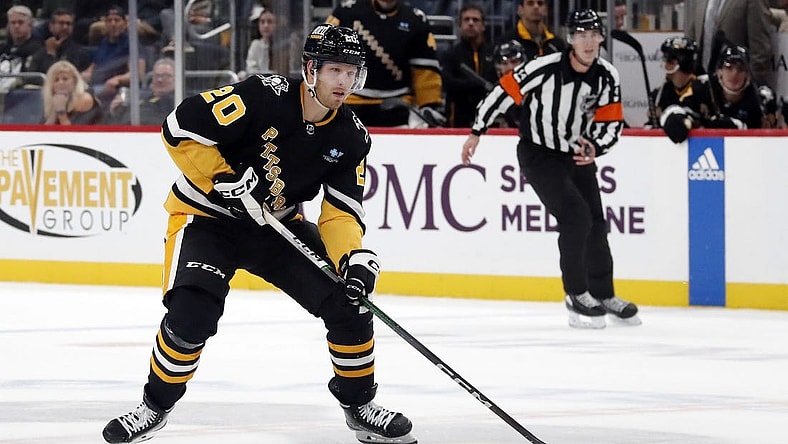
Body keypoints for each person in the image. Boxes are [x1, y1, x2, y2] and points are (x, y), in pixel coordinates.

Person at [101, 23, 416, 444]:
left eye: (351, 71)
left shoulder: (351, 135)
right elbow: (177, 128)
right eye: (334, 70)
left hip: (278, 227)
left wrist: (353, 258)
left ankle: (359, 407)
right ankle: (153, 407)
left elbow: (341, 213)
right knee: (191, 316)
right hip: (207, 218)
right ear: (310, 68)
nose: (344, 82)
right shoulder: (262, 95)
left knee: (351, 303)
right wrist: (223, 179)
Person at [461, 9, 640, 329]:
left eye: (593, 35)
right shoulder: (544, 68)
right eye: (580, 35)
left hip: (576, 154)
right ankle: (576, 294)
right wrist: (477, 131)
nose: (587, 42)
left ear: (601, 38)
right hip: (539, 153)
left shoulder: (607, 75)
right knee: (575, 216)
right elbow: (504, 91)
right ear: (571, 40)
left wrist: (595, 146)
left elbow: (612, 122)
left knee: (597, 223)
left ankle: (604, 293)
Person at [326, 0, 445, 127]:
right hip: (349, 100)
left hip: (397, 105)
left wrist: (428, 105)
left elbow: (425, 69)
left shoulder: (416, 19)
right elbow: (326, 59)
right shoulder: (345, 12)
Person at [661, 45, 776, 143]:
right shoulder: (702, 86)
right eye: (729, 68)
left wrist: (738, 127)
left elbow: (769, 134)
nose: (734, 74)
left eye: (740, 69)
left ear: (748, 74)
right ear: (719, 71)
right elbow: (681, 108)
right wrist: (672, 117)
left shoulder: (761, 96)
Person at [686, 0, 774, 88]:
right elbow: (691, 36)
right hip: (700, 81)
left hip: (736, 84)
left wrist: (751, 86)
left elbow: (759, 47)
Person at [440, 4, 497, 128]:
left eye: (475, 20)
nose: (471, 23)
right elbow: (448, 83)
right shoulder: (451, 54)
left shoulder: (493, 53)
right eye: (466, 19)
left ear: (483, 26)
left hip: (489, 118)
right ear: (459, 25)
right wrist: (475, 85)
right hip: (458, 120)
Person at [81, 5, 147, 106]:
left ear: (125, 23)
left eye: (117, 20)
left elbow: (138, 74)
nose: (113, 24)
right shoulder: (103, 43)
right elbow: (91, 70)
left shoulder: (132, 43)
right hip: (95, 87)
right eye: (109, 20)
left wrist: (117, 79)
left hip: (116, 91)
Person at [104, 57, 175, 125]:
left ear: (177, 78)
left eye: (166, 76)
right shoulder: (140, 99)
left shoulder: (178, 101)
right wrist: (116, 113)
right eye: (157, 75)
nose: (160, 80)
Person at [648, 36, 699, 127]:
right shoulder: (661, 93)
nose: (664, 64)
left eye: (668, 60)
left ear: (682, 62)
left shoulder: (703, 91)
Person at [28, 7, 93, 75]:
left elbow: (59, 77)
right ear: (51, 27)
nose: (65, 27)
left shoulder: (80, 53)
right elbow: (31, 76)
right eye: (61, 23)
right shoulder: (40, 52)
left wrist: (51, 54)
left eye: (68, 24)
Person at [498, 0, 566, 62]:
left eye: (540, 3)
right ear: (520, 9)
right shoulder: (507, 41)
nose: (536, 6)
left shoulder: (557, 44)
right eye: (530, 3)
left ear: (546, 10)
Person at [41, 60, 102, 125]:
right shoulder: (54, 101)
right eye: (56, 80)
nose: (60, 82)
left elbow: (73, 133)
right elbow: (43, 132)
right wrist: (54, 112)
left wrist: (61, 112)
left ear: (75, 81)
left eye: (65, 79)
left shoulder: (85, 99)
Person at [0, 5, 43, 91]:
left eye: (20, 22)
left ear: (30, 25)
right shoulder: (2, 49)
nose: (16, 26)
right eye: (13, 22)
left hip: (24, 95)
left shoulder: (39, 49)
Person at [488, 39, 525, 129]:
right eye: (504, 63)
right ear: (498, 69)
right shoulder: (492, 96)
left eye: (514, 62)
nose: (510, 67)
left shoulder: (537, 90)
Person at [244, 5, 282, 75]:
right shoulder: (255, 45)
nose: (266, 25)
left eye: (270, 22)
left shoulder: (285, 45)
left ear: (277, 25)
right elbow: (251, 70)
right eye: (262, 22)